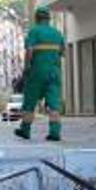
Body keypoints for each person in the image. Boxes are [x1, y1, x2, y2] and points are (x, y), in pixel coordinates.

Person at [14, 7, 65, 142]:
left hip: (37, 72)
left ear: (36, 18)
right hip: (54, 73)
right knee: (54, 104)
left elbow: (29, 50)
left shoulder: (34, 31)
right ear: (49, 19)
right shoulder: (57, 33)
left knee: (30, 102)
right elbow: (61, 53)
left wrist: (26, 67)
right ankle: (55, 132)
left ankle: (25, 130)